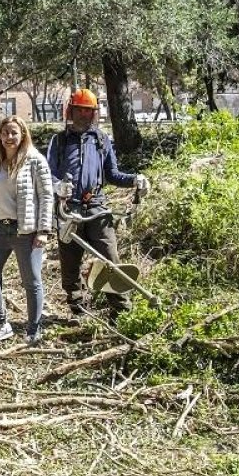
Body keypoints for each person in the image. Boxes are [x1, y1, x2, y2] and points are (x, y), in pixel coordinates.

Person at [45, 89, 150, 316]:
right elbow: (48, 173)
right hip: (68, 209)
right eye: (79, 110)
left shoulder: (102, 140)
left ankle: (121, 311)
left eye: (88, 111)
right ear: (70, 111)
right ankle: (78, 309)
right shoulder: (59, 141)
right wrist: (57, 185)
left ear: (94, 113)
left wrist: (135, 179)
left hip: (97, 207)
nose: (83, 115)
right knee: (70, 262)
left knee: (110, 258)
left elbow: (112, 174)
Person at [0, 116, 53, 345]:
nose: (9, 137)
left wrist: (43, 230)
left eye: (14, 133)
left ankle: (33, 329)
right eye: (5, 133)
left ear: (23, 135)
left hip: (26, 231)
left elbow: (47, 196)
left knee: (31, 281)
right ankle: (1, 323)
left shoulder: (35, 160)